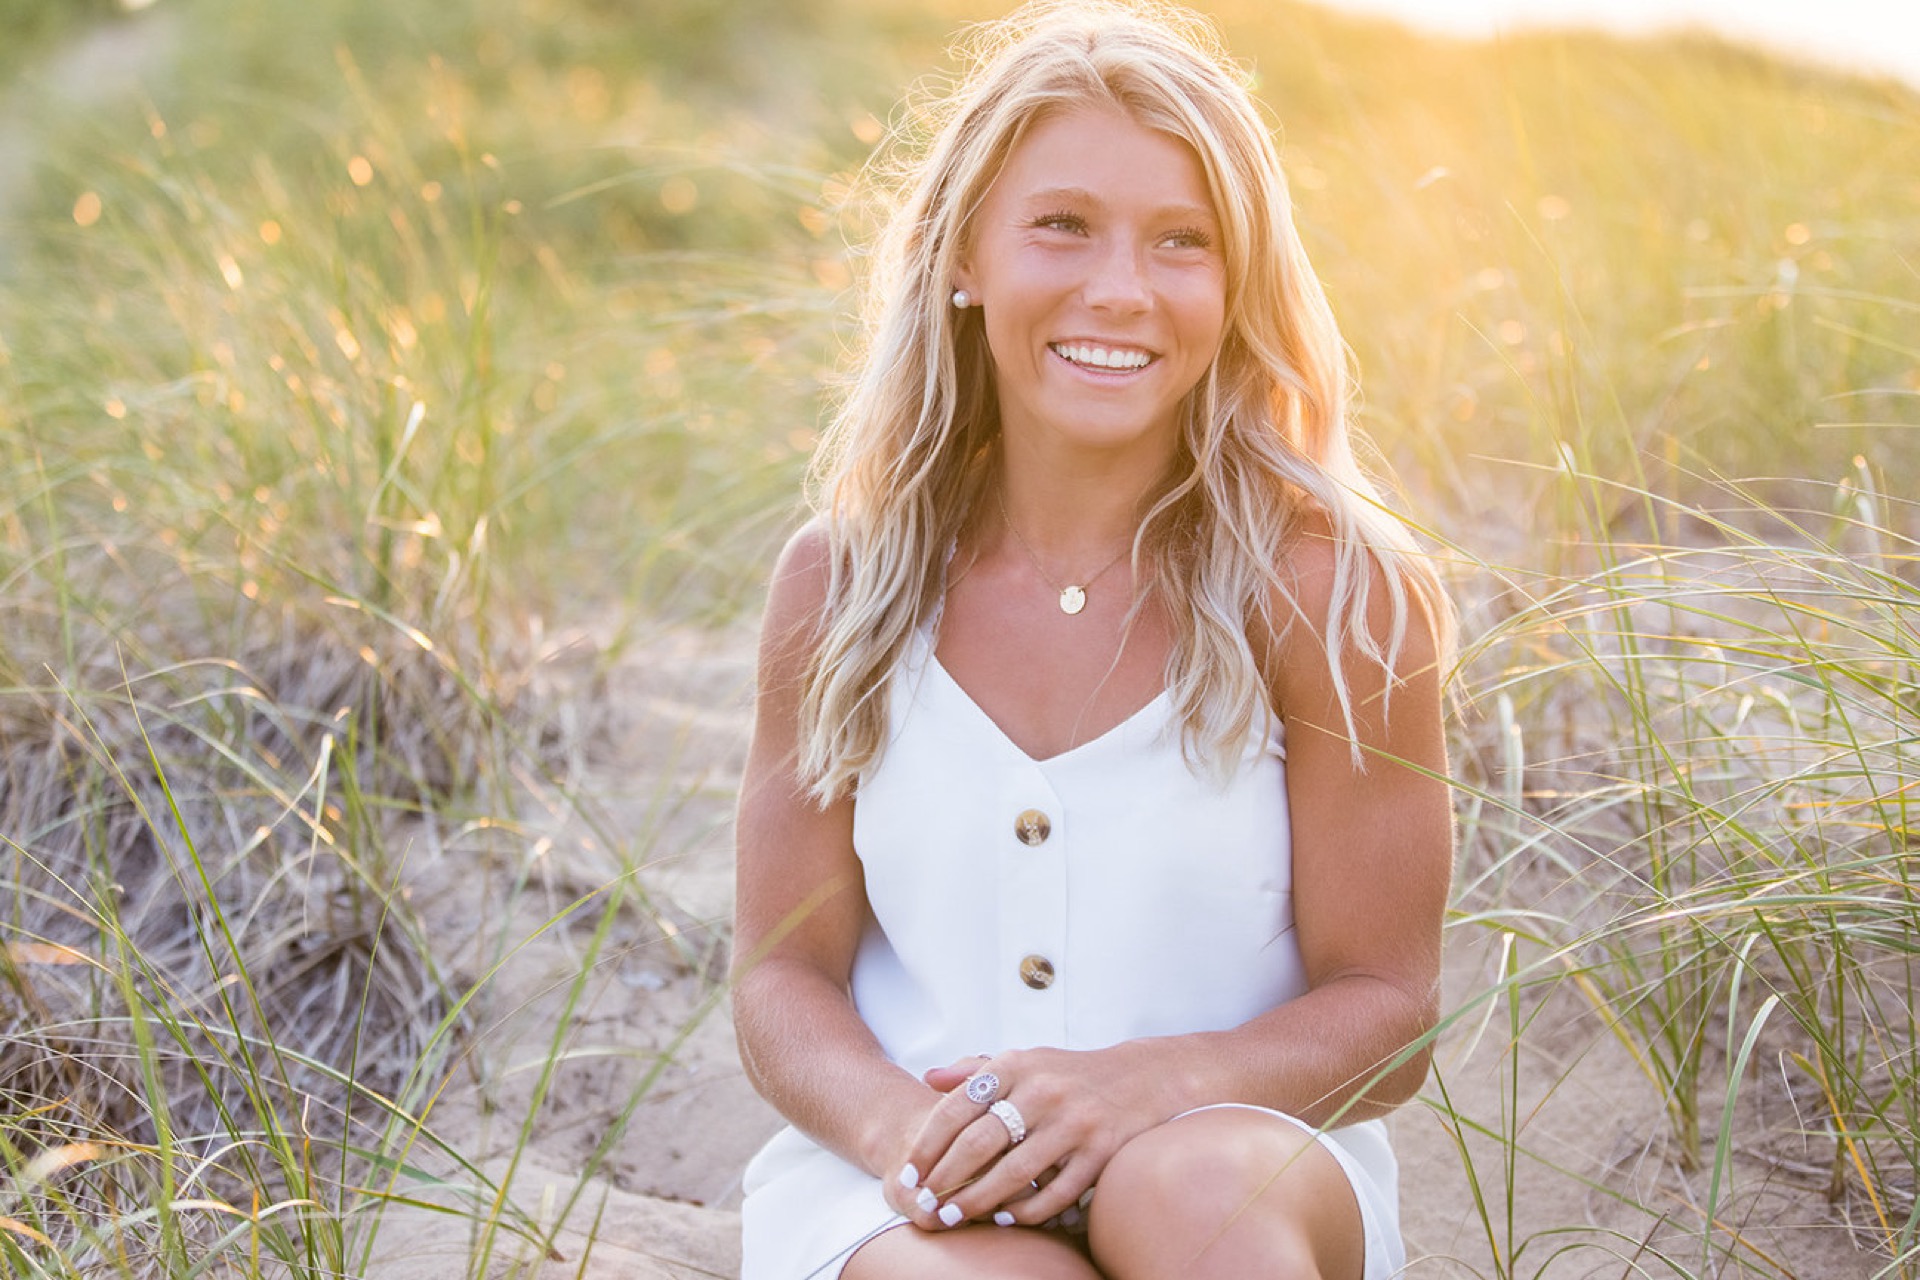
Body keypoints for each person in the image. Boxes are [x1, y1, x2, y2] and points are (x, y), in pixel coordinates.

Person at [730, 2, 1453, 1276]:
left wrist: (1152, 1086)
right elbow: (782, 980)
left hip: (1241, 1153)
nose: (1119, 289)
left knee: (1186, 1196)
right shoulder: (837, 587)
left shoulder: (1337, 593)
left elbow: (1390, 1010)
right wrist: (911, 1130)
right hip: (906, 1183)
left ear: (1234, 288)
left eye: (1182, 241)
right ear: (966, 252)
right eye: (1062, 225)